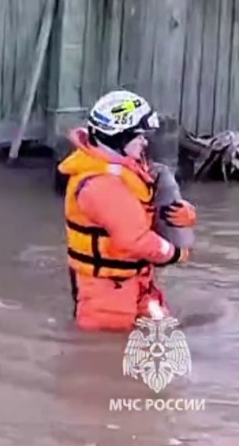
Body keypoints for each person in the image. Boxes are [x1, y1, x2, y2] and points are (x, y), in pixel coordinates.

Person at [57, 90, 198, 332]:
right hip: (106, 292)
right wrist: (175, 253)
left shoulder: (128, 169)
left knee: (163, 333)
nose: (145, 142)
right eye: (138, 136)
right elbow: (134, 239)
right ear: (118, 138)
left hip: (137, 281)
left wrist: (183, 216)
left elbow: (147, 206)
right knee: (103, 351)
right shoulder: (100, 184)